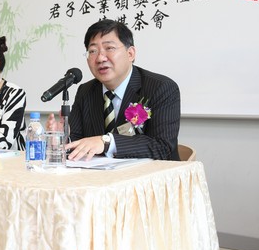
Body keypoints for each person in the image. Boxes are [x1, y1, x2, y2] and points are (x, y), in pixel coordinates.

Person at [47, 19, 181, 161]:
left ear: (130, 54)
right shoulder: (86, 91)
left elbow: (162, 147)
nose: (100, 58)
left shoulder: (161, 88)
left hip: (148, 179)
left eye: (109, 48)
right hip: (100, 179)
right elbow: (79, 143)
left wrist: (107, 142)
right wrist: (63, 137)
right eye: (92, 51)